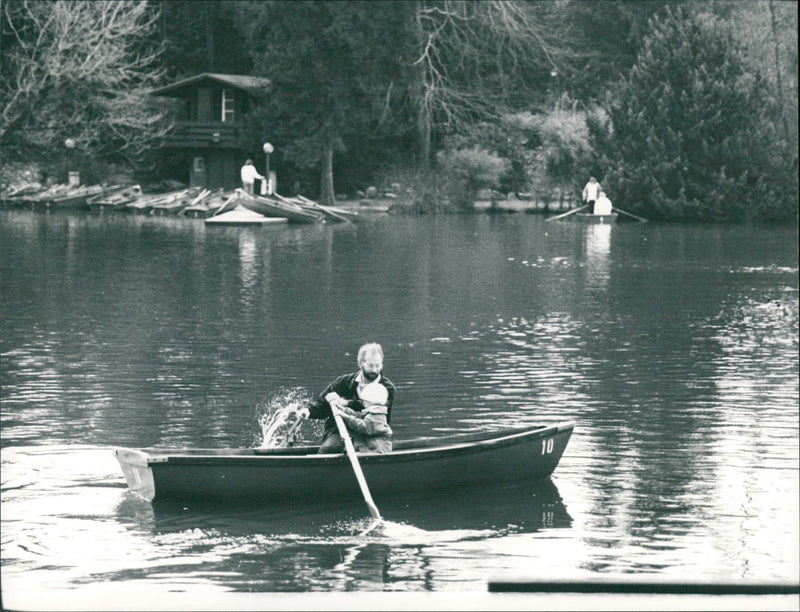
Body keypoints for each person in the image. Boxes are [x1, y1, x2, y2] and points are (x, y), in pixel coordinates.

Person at [297, 342, 396, 453]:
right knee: (331, 448)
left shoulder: (386, 388)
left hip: (371, 433)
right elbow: (322, 405)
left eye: (377, 366)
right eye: (370, 365)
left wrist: (344, 403)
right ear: (361, 363)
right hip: (340, 430)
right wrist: (308, 411)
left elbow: (372, 408)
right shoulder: (343, 382)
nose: (374, 370)